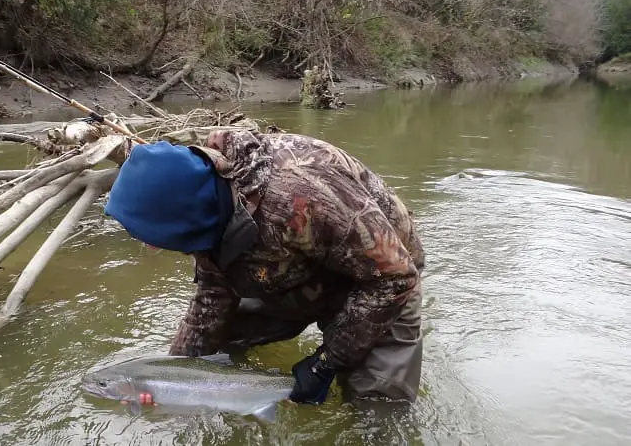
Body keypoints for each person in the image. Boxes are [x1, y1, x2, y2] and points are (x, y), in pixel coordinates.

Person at [104, 128, 424, 405]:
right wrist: (170, 378)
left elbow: (395, 278)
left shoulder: (302, 195)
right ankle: (249, 395)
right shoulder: (206, 202)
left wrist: (324, 363)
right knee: (222, 338)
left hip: (380, 280)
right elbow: (213, 296)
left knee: (377, 407)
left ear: (179, 216)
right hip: (289, 271)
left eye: (152, 235)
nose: (151, 246)